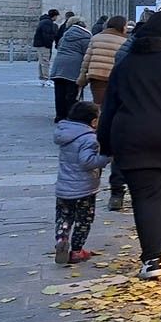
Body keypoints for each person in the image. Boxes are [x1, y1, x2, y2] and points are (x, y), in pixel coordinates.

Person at [98, 12, 161, 279]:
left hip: (134, 140)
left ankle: (152, 257)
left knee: (145, 197)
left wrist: (104, 142)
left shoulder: (126, 64)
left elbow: (109, 106)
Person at [77, 15, 129, 210]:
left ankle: (97, 135)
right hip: (115, 79)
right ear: (122, 27)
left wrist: (82, 78)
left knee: (99, 107)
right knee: (113, 109)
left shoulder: (96, 37)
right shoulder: (123, 41)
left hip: (97, 77)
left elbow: (86, 59)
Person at [54, 101, 111, 264]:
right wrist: (106, 158)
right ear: (93, 122)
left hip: (64, 187)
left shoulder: (64, 134)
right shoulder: (89, 138)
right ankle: (77, 251)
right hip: (84, 189)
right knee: (83, 220)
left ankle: (61, 239)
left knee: (64, 217)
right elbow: (87, 162)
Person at [50, 17, 91, 123]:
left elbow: (59, 46)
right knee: (71, 93)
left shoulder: (65, 35)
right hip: (73, 67)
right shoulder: (85, 37)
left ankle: (60, 115)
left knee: (59, 93)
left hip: (58, 66)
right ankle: (70, 115)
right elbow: (87, 53)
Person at [33, 9, 61, 85]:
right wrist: (48, 44)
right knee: (45, 61)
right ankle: (46, 77)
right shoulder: (47, 23)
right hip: (44, 45)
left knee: (41, 61)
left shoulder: (44, 21)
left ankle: (42, 77)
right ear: (54, 16)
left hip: (40, 44)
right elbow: (46, 35)